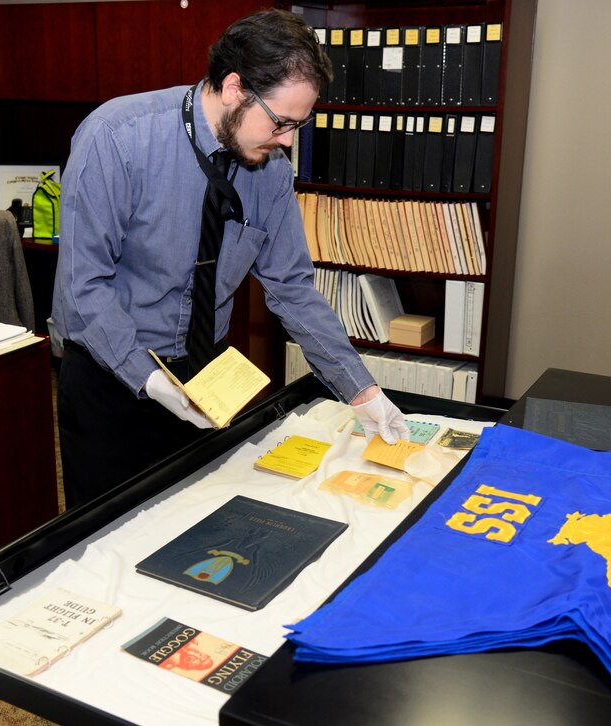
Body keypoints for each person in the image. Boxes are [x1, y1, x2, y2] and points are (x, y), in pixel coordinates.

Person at [52, 8, 408, 509]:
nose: (287, 140)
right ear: (236, 88)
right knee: (105, 537)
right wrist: (151, 380)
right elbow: (82, 287)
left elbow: (293, 290)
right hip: (114, 380)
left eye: (298, 125)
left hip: (206, 381)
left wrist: (362, 392)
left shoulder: (270, 170)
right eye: (281, 122)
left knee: (193, 528)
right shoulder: (117, 138)